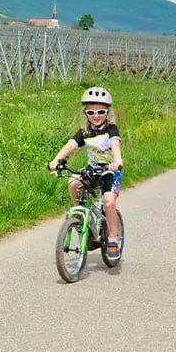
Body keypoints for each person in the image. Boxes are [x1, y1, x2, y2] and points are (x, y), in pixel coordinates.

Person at [49, 86, 124, 260]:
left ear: (107, 112)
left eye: (100, 111)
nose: (96, 116)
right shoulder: (84, 132)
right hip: (92, 169)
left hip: (110, 171)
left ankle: (112, 238)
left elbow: (115, 145)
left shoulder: (111, 129)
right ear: (85, 114)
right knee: (73, 181)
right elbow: (70, 146)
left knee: (109, 202)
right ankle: (79, 213)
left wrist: (117, 161)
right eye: (91, 112)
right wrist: (56, 161)